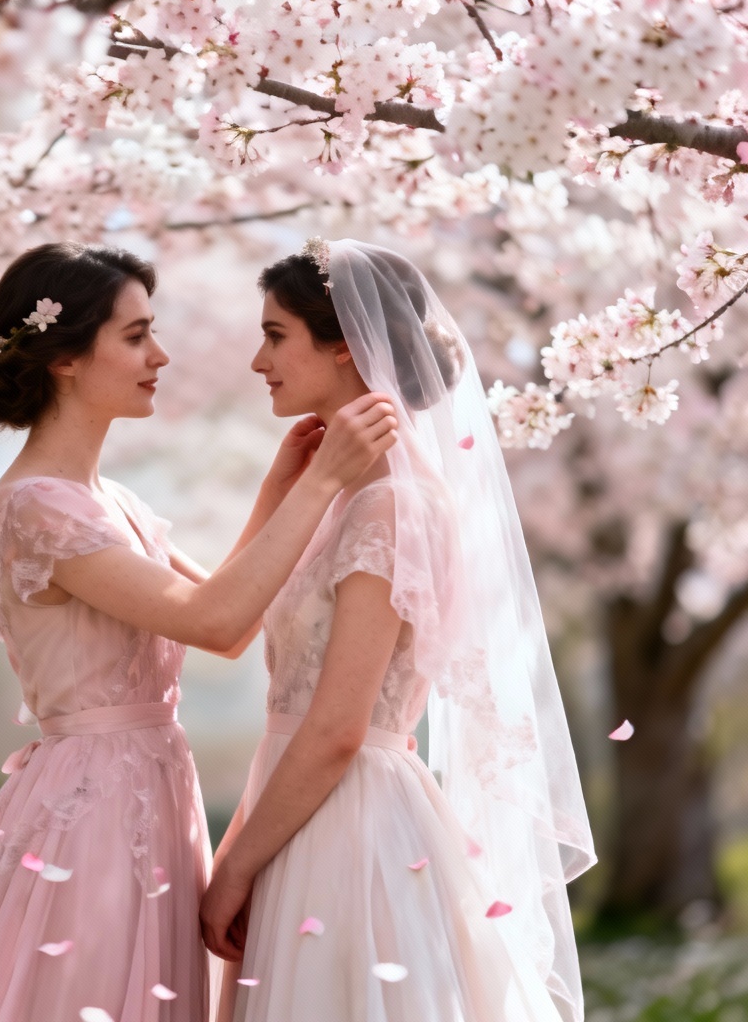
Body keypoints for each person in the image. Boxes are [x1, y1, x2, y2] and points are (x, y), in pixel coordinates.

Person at [0, 241, 396, 1022]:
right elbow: (212, 622)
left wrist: (280, 490)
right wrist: (322, 483)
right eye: (136, 335)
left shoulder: (112, 501)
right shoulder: (37, 508)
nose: (161, 354)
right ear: (66, 357)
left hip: (152, 794)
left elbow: (229, 616)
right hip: (93, 808)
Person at [202, 239, 597, 1022]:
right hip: (296, 804)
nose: (258, 360)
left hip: (345, 823)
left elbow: (339, 727)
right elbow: (233, 631)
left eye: (275, 335)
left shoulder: (393, 503)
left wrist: (236, 867)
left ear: (344, 347)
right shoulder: (347, 494)